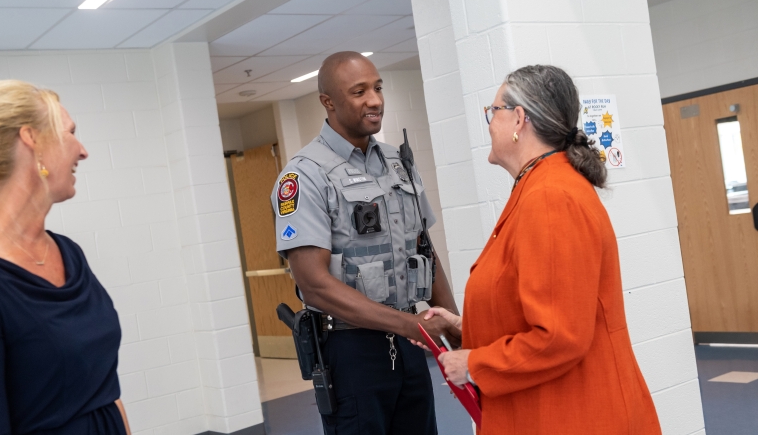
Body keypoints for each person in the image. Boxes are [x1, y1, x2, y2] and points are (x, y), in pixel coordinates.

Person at [421, 65, 661, 434]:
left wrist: (474, 365)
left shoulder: (550, 197)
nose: (488, 124)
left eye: (493, 112)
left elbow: (558, 336)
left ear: (519, 119)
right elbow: (533, 309)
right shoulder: (538, 187)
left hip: (573, 415)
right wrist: (464, 329)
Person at [273, 51, 461, 435]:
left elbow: (424, 249)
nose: (374, 100)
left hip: (410, 346)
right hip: (351, 351)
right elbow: (314, 284)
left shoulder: (398, 163)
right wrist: (408, 325)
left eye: (377, 87)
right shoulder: (304, 176)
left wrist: (457, 331)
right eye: (359, 91)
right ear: (329, 101)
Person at [0, 80, 131, 435]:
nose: (83, 151)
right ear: (31, 139)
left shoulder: (69, 253)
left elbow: (105, 388)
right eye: (70, 133)